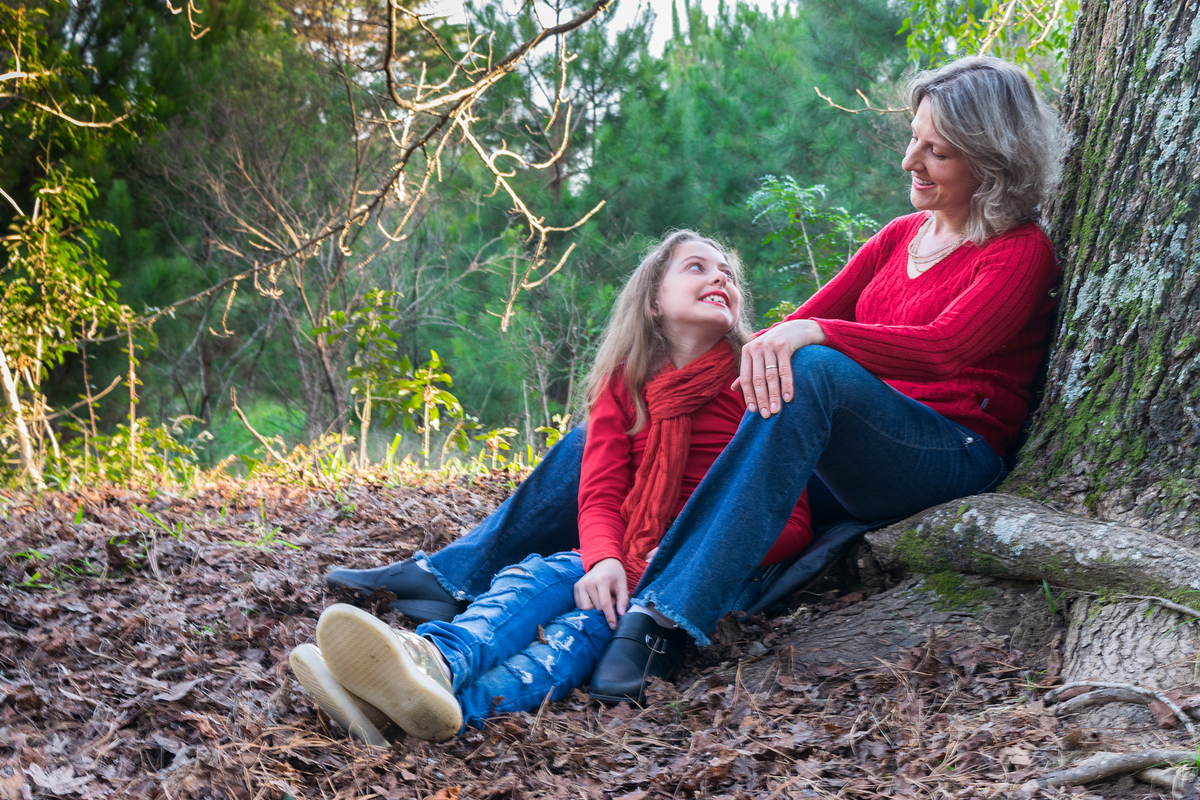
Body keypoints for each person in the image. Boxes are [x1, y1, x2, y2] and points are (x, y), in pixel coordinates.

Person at [325, 53, 1063, 705]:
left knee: (812, 364)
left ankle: (660, 620)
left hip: (943, 453)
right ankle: (454, 574)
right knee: (623, 428)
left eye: (936, 151)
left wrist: (811, 335)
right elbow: (775, 342)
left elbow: (943, 350)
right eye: (914, 138)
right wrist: (675, 390)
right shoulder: (900, 238)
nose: (910, 160)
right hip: (837, 455)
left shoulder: (1019, 252)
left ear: (990, 161)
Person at [290, 230, 813, 742]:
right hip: (625, 548)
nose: (719, 276)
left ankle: (428, 712)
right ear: (653, 300)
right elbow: (602, 493)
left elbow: (792, 522)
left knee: (580, 632)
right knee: (535, 580)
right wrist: (605, 558)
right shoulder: (624, 381)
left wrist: (691, 556)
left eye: (727, 273)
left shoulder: (757, 381)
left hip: (705, 576)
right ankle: (435, 662)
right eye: (696, 267)